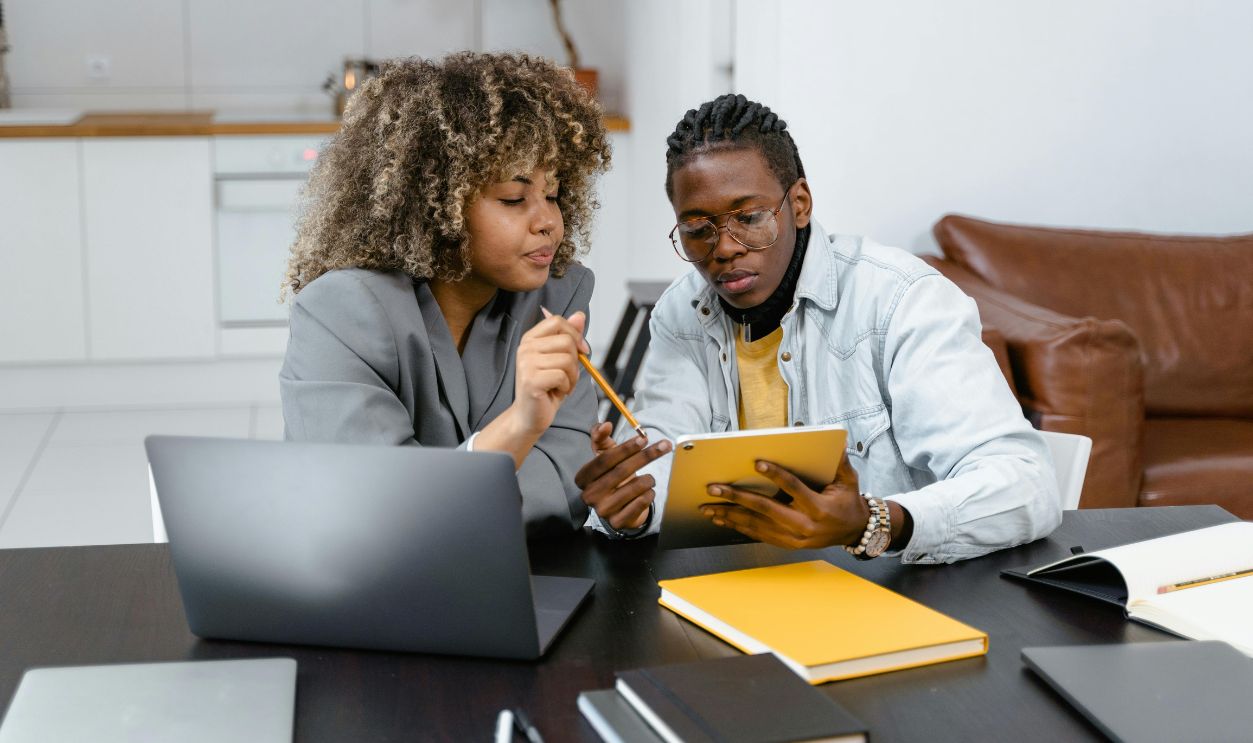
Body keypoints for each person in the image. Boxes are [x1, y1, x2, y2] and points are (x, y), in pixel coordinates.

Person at [577, 94, 1061, 562]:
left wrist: (875, 522)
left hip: (892, 597)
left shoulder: (901, 300)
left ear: (800, 203)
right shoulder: (681, 311)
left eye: (749, 217)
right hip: (741, 595)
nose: (724, 248)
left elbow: (1025, 483)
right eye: (698, 229)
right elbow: (664, 456)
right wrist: (636, 507)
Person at [280, 52, 611, 536]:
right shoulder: (340, 312)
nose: (548, 221)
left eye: (554, 194)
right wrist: (520, 427)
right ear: (438, 206)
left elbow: (564, 487)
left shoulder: (557, 297)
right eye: (514, 199)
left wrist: (436, 500)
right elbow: (371, 514)